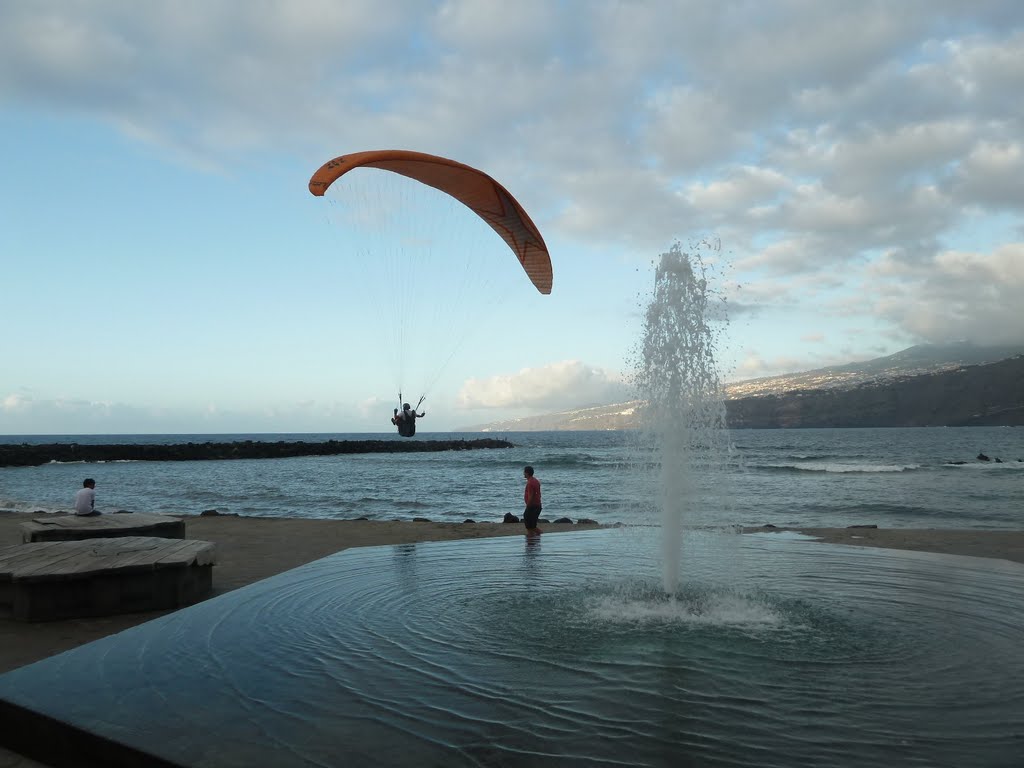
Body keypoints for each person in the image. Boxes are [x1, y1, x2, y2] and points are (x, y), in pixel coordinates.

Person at [522, 465, 542, 535]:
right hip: (537, 505)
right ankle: (531, 539)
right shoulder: (535, 480)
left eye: (524, 472)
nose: (523, 474)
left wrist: (528, 506)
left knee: (531, 526)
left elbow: (531, 495)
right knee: (531, 526)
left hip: (532, 506)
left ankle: (534, 538)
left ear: (527, 473)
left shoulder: (530, 483)